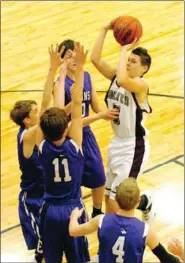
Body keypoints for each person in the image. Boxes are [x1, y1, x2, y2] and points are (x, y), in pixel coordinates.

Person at [90, 19, 153, 220]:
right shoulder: (117, 78)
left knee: (120, 199)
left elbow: (122, 80)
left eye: (133, 62)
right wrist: (104, 29)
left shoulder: (141, 85)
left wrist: (124, 49)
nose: (127, 63)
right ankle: (112, 228)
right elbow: (95, 59)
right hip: (117, 143)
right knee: (109, 197)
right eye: (128, 60)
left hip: (133, 147)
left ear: (144, 68)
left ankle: (142, 207)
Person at [10, 44, 67, 263]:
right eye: (34, 112)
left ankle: (45, 249)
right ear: (27, 120)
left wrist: (61, 75)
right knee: (46, 244)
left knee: (55, 241)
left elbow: (56, 111)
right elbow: (46, 106)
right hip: (33, 197)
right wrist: (52, 70)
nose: (39, 113)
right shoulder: (27, 136)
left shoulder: (38, 132)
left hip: (50, 193)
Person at [36, 42, 90, 263]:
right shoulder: (75, 145)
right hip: (73, 209)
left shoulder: (42, 146)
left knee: (52, 259)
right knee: (77, 259)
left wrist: (54, 69)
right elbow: (76, 105)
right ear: (66, 127)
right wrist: (80, 69)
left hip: (50, 210)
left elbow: (45, 103)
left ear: (44, 128)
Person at [69, 178, 182, 263]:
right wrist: (181, 253)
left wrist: (74, 217)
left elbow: (73, 231)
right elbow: (167, 259)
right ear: (138, 202)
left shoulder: (101, 220)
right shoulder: (146, 231)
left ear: (116, 199)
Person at [53, 39, 107, 218]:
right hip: (69, 136)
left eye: (76, 56)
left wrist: (111, 115)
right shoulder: (60, 83)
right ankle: (74, 212)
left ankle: (98, 211)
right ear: (63, 61)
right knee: (72, 179)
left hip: (87, 134)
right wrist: (74, 101)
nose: (74, 60)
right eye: (70, 57)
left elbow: (96, 104)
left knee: (99, 175)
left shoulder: (87, 76)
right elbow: (59, 114)